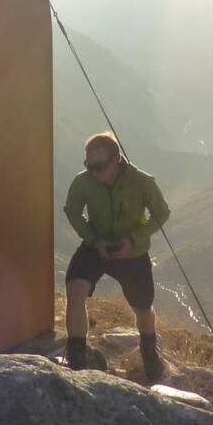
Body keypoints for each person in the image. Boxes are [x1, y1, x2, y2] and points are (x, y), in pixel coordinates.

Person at [62, 131, 171, 383]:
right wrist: (93, 239)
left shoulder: (142, 181)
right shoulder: (83, 182)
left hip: (132, 251)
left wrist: (134, 239)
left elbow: (161, 213)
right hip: (96, 246)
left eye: (99, 166)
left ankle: (148, 352)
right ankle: (76, 357)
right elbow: (73, 211)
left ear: (117, 159)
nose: (94, 172)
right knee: (74, 290)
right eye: (88, 166)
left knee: (142, 308)